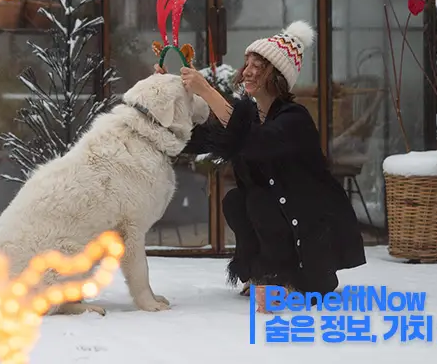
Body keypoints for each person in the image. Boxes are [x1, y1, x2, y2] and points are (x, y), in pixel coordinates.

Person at [156, 20, 366, 312]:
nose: (248, 70)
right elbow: (198, 140)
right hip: (277, 226)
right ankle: (262, 272)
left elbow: (254, 140)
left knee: (258, 199)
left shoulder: (295, 118)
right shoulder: (251, 115)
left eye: (260, 65)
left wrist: (207, 91)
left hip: (311, 238)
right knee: (237, 200)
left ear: (277, 76)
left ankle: (289, 277)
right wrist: (168, 93)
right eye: (247, 62)